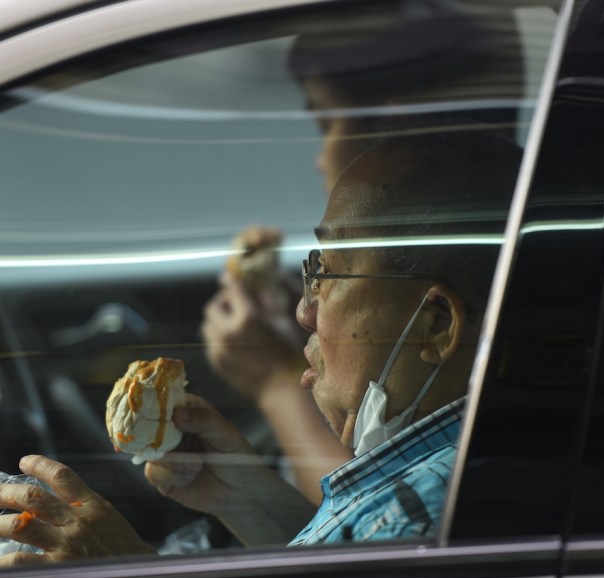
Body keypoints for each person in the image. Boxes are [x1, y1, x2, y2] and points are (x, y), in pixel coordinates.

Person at [0, 129, 521, 565]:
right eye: (311, 269)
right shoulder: (435, 482)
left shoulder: (424, 515)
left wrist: (121, 577)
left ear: (435, 325)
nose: (304, 311)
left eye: (329, 272)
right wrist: (242, 496)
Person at [203, 11, 526, 504]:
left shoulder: (431, 488)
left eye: (325, 122)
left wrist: (275, 382)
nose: (319, 157)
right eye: (320, 274)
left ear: (393, 123)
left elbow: (371, 512)